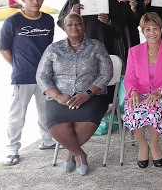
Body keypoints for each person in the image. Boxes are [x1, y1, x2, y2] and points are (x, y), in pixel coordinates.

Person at [36, 13, 113, 176]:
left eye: (78, 24)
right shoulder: (53, 49)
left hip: (92, 96)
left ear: (84, 27)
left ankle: (71, 153)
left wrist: (87, 94)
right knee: (56, 124)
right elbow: (42, 76)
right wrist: (57, 96)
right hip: (60, 96)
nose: (74, 27)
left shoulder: (96, 46)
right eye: (70, 25)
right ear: (64, 28)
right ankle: (79, 154)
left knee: (86, 120)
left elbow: (106, 73)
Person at [0, 0, 55, 166]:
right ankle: (12, 150)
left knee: (45, 111)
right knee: (17, 115)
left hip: (45, 77)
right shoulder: (12, 21)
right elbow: (4, 48)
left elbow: (49, 47)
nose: (36, 0)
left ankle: (47, 141)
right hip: (22, 77)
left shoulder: (47, 20)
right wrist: (17, 66)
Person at [123, 12, 162, 169]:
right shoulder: (134, 51)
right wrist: (133, 91)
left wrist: (159, 92)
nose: (152, 33)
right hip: (139, 92)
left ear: (161, 30)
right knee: (133, 107)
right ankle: (142, 145)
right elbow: (129, 78)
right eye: (147, 29)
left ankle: (154, 144)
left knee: (153, 109)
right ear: (143, 31)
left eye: (155, 28)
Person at [57, 0, 126, 63]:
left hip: (107, 44)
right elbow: (61, 21)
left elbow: (121, 25)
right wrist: (71, 13)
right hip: (82, 45)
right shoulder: (74, 1)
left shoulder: (110, 1)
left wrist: (109, 21)